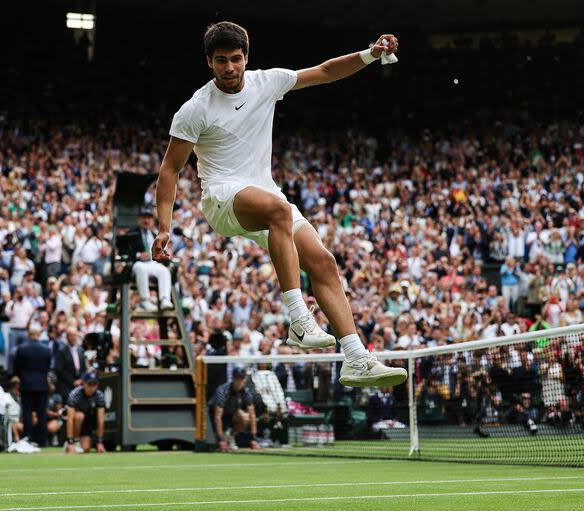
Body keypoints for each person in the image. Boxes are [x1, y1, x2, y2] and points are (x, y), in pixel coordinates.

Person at [152, 21, 406, 387]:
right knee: (279, 210)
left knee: (324, 262)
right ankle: (299, 319)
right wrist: (164, 227)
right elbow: (169, 170)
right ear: (209, 61)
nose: (229, 68)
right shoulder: (196, 108)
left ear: (246, 57)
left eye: (235, 59)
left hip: (267, 196)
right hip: (223, 197)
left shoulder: (266, 82)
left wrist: (370, 54)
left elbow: (325, 71)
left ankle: (355, 358)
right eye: (221, 60)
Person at [128, 209, 174, 312]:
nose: (146, 220)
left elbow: (161, 252)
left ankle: (164, 299)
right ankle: (145, 301)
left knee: (164, 271)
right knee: (141, 268)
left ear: (152, 220)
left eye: (148, 218)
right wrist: (138, 255)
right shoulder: (131, 233)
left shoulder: (155, 235)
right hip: (137, 263)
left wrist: (166, 261)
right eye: (144, 218)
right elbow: (125, 251)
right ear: (139, 219)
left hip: (152, 263)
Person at [13, 325, 51, 446]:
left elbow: (17, 368)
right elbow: (47, 367)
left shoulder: (22, 349)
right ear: (39, 335)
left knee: (27, 412)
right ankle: (42, 439)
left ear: (29, 335)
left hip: (27, 384)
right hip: (42, 384)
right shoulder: (46, 349)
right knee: (42, 413)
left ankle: (27, 437)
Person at [210, 367, 260, 451]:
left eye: (241, 378)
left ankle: (229, 437)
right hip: (212, 417)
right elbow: (217, 417)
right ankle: (220, 438)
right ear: (233, 378)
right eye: (237, 378)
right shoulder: (222, 391)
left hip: (231, 415)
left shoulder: (246, 392)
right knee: (215, 443)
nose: (239, 381)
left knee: (245, 417)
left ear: (245, 379)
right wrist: (221, 439)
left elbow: (252, 415)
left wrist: (254, 439)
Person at [63, 372, 106, 455]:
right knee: (79, 416)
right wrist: (70, 442)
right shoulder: (75, 394)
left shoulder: (99, 396)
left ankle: (79, 442)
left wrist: (100, 442)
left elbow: (101, 420)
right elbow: (70, 420)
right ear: (83, 384)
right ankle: (72, 442)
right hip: (73, 422)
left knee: (86, 449)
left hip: (86, 421)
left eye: (94, 384)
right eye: (89, 384)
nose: (92, 387)